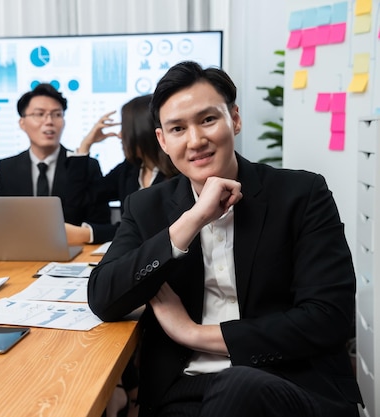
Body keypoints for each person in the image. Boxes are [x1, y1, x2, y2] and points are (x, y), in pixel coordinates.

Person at [88, 61, 363, 417]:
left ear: (234, 118)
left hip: (290, 382)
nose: (195, 140)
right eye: (177, 128)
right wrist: (193, 219)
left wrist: (192, 333)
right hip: (183, 389)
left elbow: (329, 317)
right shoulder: (146, 207)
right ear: (163, 140)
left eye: (207, 120)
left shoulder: (301, 193)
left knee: (239, 387)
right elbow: (103, 298)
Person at [0, 83, 110, 229]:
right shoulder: (7, 168)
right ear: (22, 123)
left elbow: (99, 222)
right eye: (39, 114)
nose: (49, 122)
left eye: (57, 115)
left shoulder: (86, 166)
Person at [66, 94, 179, 244]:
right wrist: (85, 146)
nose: (120, 135)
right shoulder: (129, 169)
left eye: (125, 129)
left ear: (141, 132)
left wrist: (88, 234)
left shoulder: (178, 173)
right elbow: (81, 199)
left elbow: (148, 231)